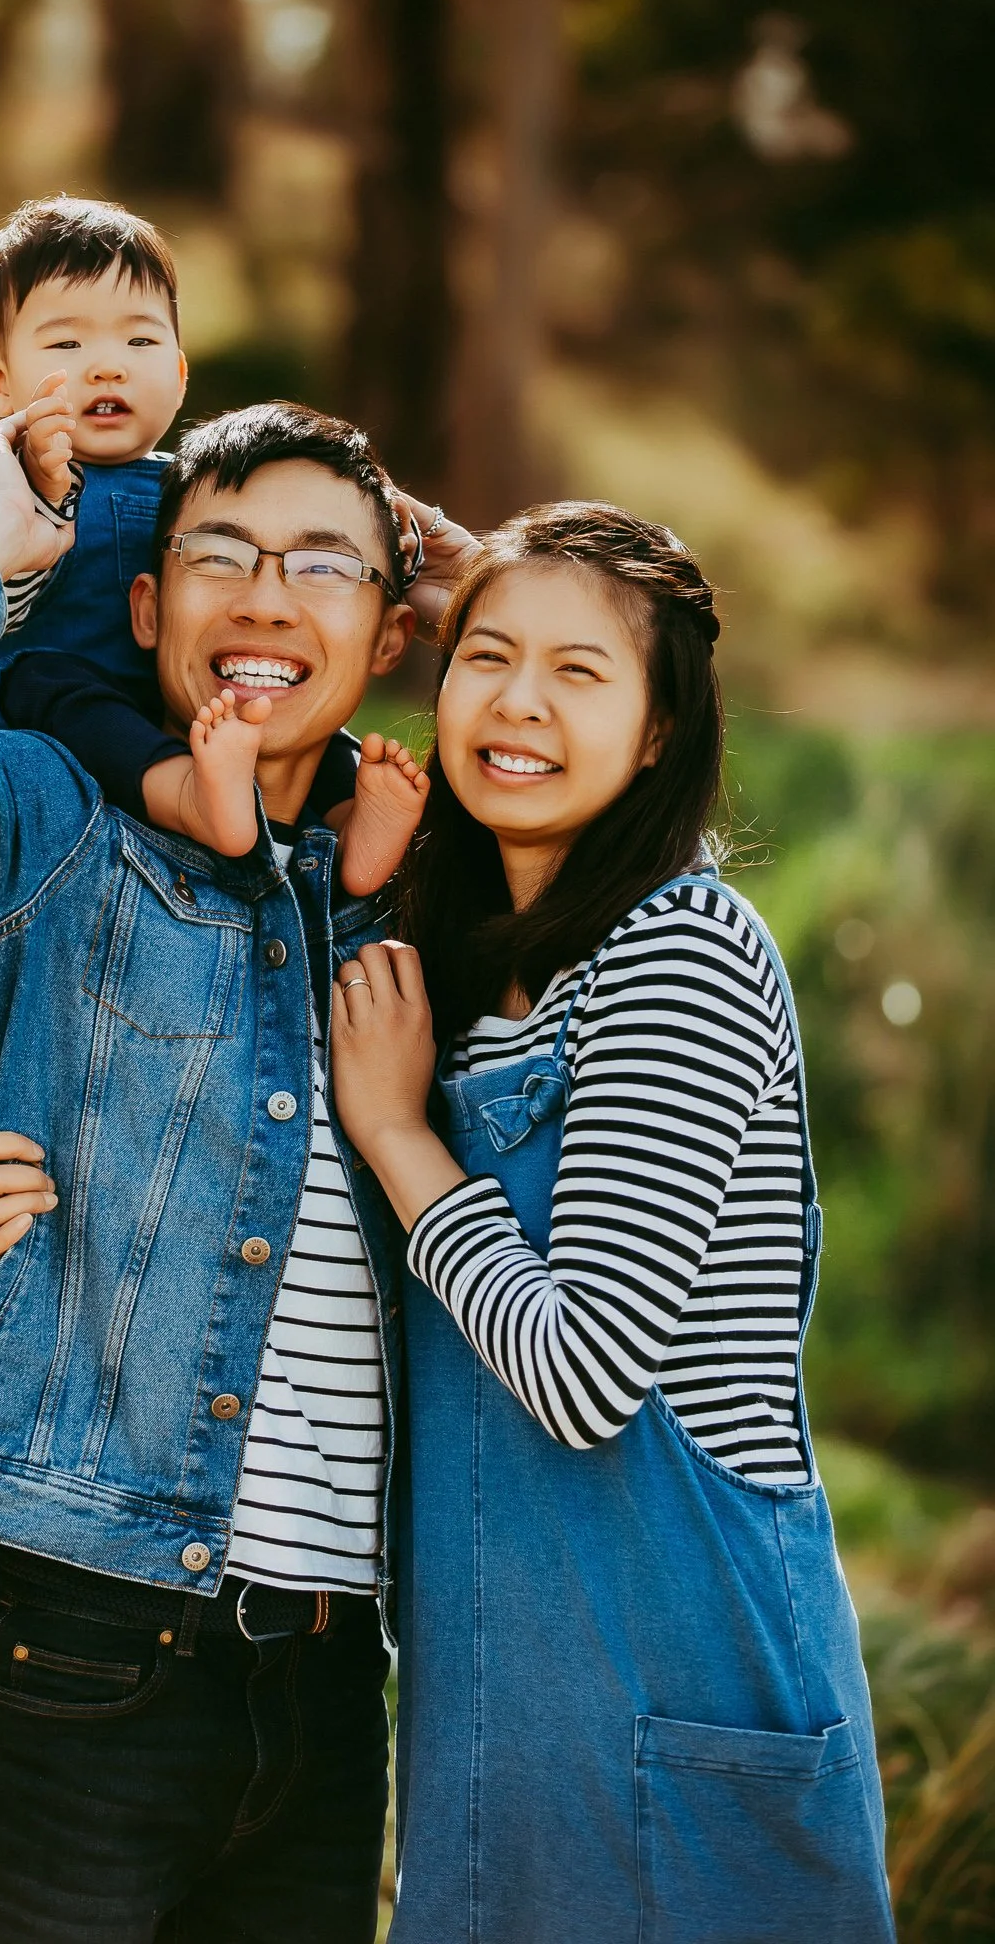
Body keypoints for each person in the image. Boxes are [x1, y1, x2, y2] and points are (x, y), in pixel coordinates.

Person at [0, 399, 460, 1943]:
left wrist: (490, 585)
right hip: (78, 1657)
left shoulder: (421, 892)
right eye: (220, 558)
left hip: (336, 1693)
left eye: (323, 569)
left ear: (391, 632)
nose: (265, 600)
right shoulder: (54, 828)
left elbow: (638, 791)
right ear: (146, 606)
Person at [326, 503, 895, 1941]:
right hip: (495, 1718)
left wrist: (398, 1134)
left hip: (685, 1696)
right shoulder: (453, 960)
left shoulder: (681, 950)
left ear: (656, 734)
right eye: (486, 658)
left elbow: (583, 1378)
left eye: (581, 674)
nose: (518, 703)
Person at [0, 193, 428, 895]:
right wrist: (8, 517)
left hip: (176, 701)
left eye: (139, 342)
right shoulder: (4, 483)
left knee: (296, 717)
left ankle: (355, 824)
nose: (107, 368)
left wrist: (398, 545)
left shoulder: (198, 487)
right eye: (66, 344)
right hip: (39, 709)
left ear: (177, 376)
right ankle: (192, 799)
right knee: (62, 688)